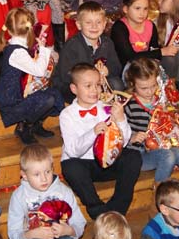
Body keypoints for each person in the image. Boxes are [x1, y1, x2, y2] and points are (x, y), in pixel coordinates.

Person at [59, 63, 142, 219]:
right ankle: (98, 211)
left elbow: (123, 143)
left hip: (107, 161)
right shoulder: (67, 114)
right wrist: (93, 133)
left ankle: (117, 209)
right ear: (74, 89)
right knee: (70, 167)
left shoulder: (106, 106)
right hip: (83, 165)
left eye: (98, 85)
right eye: (88, 86)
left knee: (133, 157)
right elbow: (72, 151)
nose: (94, 90)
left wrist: (121, 119)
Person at [123, 57, 179, 198]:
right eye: (143, 88)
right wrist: (131, 137)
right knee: (168, 156)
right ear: (132, 84)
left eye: (153, 86)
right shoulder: (129, 105)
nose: (150, 91)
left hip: (161, 147)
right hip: (138, 155)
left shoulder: (161, 100)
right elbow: (118, 133)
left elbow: (173, 118)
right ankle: (159, 201)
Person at [0, 7, 64, 145]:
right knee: (47, 99)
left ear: (9, 30)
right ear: (30, 28)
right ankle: (24, 126)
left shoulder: (18, 46)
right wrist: (44, 49)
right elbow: (39, 70)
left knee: (54, 94)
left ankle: (35, 124)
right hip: (12, 98)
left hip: (21, 91)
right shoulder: (17, 52)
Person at [53, 1, 124, 103]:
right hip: (74, 85)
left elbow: (116, 66)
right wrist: (93, 78)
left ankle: (100, 102)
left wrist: (107, 71)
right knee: (77, 90)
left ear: (104, 24)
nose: (94, 26)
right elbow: (66, 75)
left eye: (98, 22)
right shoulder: (72, 45)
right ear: (79, 25)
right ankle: (90, 103)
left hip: (97, 84)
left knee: (118, 84)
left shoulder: (107, 42)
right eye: (88, 23)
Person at [111, 0, 179, 70]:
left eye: (145, 9)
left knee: (172, 60)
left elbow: (154, 50)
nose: (142, 13)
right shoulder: (119, 27)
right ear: (126, 9)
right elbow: (129, 57)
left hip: (147, 66)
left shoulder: (150, 25)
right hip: (128, 69)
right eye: (137, 8)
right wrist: (161, 52)